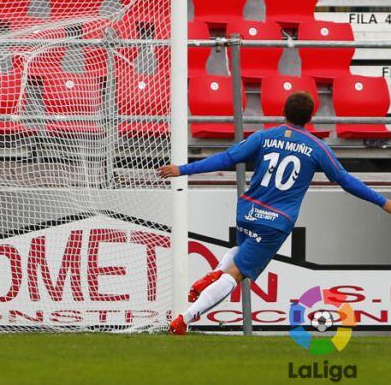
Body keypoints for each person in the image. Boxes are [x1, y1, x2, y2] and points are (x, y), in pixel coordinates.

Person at [158, 92, 391, 335]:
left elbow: (227, 158)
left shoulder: (264, 137)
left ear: (283, 111)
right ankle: (184, 319)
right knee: (236, 274)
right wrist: (382, 201)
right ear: (310, 117)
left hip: (247, 211)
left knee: (241, 251)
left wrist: (182, 169)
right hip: (275, 222)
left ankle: (214, 274)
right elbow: (344, 180)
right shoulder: (317, 147)